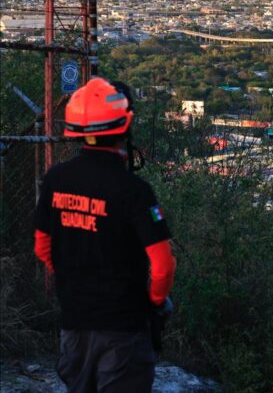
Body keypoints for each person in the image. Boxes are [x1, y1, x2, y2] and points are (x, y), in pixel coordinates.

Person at [33, 77, 176, 393]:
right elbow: (163, 265)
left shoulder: (55, 180)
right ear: (124, 126)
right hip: (123, 329)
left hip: (74, 322)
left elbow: (42, 247)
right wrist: (153, 301)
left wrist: (73, 277)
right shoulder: (134, 191)